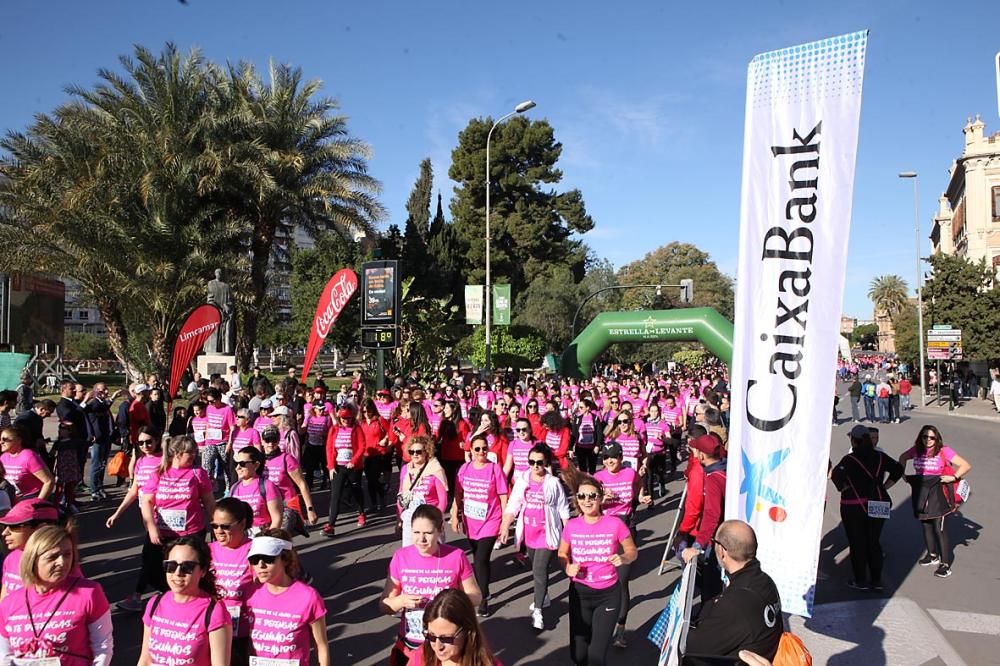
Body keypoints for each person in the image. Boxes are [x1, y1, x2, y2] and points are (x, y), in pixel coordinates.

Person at [380, 504, 482, 666]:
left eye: (428, 533)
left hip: (445, 644)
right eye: (416, 533)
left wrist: (449, 602)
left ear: (441, 530)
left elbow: (476, 596)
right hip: (411, 642)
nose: (421, 539)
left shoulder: (456, 557)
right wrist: (401, 601)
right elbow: (385, 604)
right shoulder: (401, 557)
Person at [0, 524, 113, 666]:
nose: (62, 562)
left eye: (67, 554)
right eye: (52, 557)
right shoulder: (10, 603)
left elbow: (102, 647)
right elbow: (4, 655)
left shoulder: (89, 593)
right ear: (33, 560)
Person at [558, 467, 637, 666]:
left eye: (592, 496)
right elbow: (562, 553)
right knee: (578, 655)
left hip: (607, 595)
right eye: (582, 496)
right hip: (580, 593)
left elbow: (632, 550)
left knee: (596, 656)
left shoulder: (615, 524)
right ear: (577, 499)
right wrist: (567, 567)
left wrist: (624, 558)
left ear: (600, 498)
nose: (587, 500)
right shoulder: (572, 526)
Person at [682, 520, 783, 664]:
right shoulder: (765, 581)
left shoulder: (735, 603)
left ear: (722, 551)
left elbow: (690, 646)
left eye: (714, 542)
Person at [499, 443, 570, 631]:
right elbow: (513, 504)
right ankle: (543, 596)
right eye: (531, 462)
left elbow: (564, 510)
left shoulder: (553, 483)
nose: (535, 466)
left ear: (546, 463)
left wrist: (569, 537)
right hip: (529, 531)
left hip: (547, 532)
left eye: (539, 462)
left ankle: (538, 611)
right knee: (536, 567)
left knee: (539, 569)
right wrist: (505, 527)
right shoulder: (522, 480)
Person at [139, 537, 232, 666]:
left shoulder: (214, 611)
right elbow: (145, 660)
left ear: (203, 570)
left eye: (187, 567)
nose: (177, 573)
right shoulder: (155, 603)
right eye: (171, 566)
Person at [831, 425, 903, 591]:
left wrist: (844, 488)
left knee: (857, 543)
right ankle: (876, 580)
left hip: (855, 505)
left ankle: (860, 580)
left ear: (853, 441)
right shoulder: (879, 456)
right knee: (873, 542)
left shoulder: (850, 459)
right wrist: (884, 486)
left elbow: (836, 475)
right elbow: (898, 469)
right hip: (879, 502)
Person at [594, 443, 651, 647]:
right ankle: (601, 622)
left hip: (626, 529)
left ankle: (620, 630)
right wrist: (600, 500)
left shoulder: (629, 473)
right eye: (606, 457)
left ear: (621, 457)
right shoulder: (597, 478)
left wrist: (640, 497)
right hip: (603, 533)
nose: (609, 461)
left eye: (613, 457)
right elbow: (586, 505)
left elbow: (638, 485)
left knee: (621, 582)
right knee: (602, 580)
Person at [244, 530, 329, 665]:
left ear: (285, 559)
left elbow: (321, 645)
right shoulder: (250, 594)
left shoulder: (308, 597)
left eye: (268, 559)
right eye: (254, 560)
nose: (261, 565)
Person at [139, 436, 216, 584]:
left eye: (195, 451)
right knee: (155, 571)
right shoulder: (159, 473)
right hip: (162, 533)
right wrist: (152, 528)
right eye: (190, 452)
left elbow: (209, 502)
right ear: (177, 453)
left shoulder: (198, 473)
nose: (194, 455)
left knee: (187, 573)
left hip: (190, 532)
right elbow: (147, 502)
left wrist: (215, 525)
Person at [899, 425, 972, 578]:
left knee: (939, 528)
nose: (928, 440)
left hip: (940, 493)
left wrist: (954, 477)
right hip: (922, 492)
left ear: (937, 438)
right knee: (926, 525)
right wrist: (903, 474)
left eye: (931, 437)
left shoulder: (944, 451)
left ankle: (945, 564)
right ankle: (932, 555)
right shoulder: (916, 450)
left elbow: (965, 465)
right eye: (925, 437)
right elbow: (903, 457)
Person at [450, 435, 509, 617]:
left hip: (491, 520)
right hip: (471, 520)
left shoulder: (494, 469)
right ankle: (485, 588)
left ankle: (483, 598)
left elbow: (503, 495)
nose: (481, 452)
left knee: (481, 558)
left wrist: (505, 522)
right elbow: (458, 493)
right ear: (471, 450)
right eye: (477, 449)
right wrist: (454, 514)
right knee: (477, 557)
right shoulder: (465, 468)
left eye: (484, 448)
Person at [106, 428, 165, 611]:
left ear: (156, 441)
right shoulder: (140, 461)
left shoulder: (165, 460)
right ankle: (166, 591)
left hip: (161, 517)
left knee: (149, 557)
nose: (145, 446)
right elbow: (134, 491)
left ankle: (138, 597)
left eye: (149, 442)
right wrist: (117, 513)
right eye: (141, 443)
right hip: (146, 517)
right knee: (155, 558)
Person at [208, 498, 255, 666]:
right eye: (214, 526)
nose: (218, 531)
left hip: (243, 630)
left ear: (242, 524)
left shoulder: (255, 550)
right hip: (213, 627)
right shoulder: (207, 550)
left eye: (225, 526)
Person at [681, 434, 728, 602]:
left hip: (718, 538)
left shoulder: (713, 478)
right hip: (724, 533)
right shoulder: (723, 469)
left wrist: (698, 544)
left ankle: (707, 616)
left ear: (701, 455)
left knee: (711, 581)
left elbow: (712, 514)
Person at [409, 588, 501, 666]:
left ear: (467, 631)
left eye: (446, 639)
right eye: (431, 636)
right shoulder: (420, 657)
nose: (438, 646)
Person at [0, 499, 64, 600]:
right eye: (5, 526)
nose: (5, 533)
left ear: (41, 529)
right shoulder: (11, 558)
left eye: (14, 526)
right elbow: (3, 599)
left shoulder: (61, 563)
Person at [397, 436, 449, 548]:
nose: (415, 454)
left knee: (433, 550)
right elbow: (401, 493)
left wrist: (437, 518)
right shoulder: (406, 469)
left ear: (426, 452)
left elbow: (443, 499)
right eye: (412, 452)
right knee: (410, 551)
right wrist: (399, 516)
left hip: (430, 516)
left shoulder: (435, 469)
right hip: (410, 517)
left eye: (419, 451)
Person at [323, 407, 366, 537]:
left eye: (348, 418)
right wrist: (330, 466)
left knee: (356, 490)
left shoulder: (356, 429)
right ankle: (331, 525)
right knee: (335, 495)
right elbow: (329, 448)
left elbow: (361, 446)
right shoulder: (334, 429)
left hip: (353, 467)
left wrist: (353, 461)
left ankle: (361, 513)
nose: (346, 421)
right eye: (343, 419)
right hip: (338, 467)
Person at [228, 446, 283, 532]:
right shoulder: (234, 488)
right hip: (240, 536)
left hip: (262, 535)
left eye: (242, 464)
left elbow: (277, 518)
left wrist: (268, 539)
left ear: (256, 465)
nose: (238, 467)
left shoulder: (267, 486)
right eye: (236, 463)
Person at [0, 424, 53, 501]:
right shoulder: (3, 457)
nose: (1, 442)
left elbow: (49, 481)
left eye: (5, 439)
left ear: (19, 440)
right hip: (12, 500)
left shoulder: (29, 456)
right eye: (0, 439)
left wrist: (37, 503)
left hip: (30, 499)